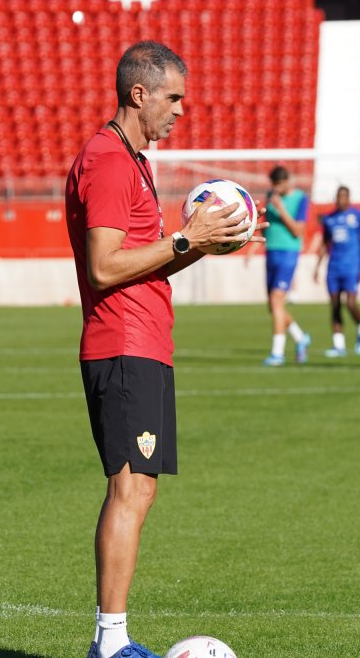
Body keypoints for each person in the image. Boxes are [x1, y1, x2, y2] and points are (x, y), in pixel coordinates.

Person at [65, 41, 256, 658]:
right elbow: (102, 267)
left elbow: (142, 264)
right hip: (122, 344)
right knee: (129, 488)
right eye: (173, 98)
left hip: (144, 340)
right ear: (139, 93)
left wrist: (213, 240)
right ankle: (109, 642)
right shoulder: (109, 161)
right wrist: (186, 237)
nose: (181, 111)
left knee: (141, 488)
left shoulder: (134, 160)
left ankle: (114, 639)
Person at [259, 165, 311, 366]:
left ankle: (278, 352)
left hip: (288, 253)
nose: (277, 189)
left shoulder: (300, 199)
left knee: (276, 299)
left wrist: (280, 208)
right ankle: (301, 338)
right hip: (271, 252)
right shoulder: (270, 195)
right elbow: (266, 226)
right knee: (273, 306)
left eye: (280, 185)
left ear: (288, 181)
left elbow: (298, 230)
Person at [313, 186, 360, 357]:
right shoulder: (329, 218)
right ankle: (339, 345)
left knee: (350, 303)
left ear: (349, 198)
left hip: (352, 265)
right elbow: (325, 243)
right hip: (334, 267)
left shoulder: (358, 216)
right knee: (335, 304)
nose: (341, 199)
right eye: (338, 196)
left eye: (344, 196)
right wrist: (317, 266)